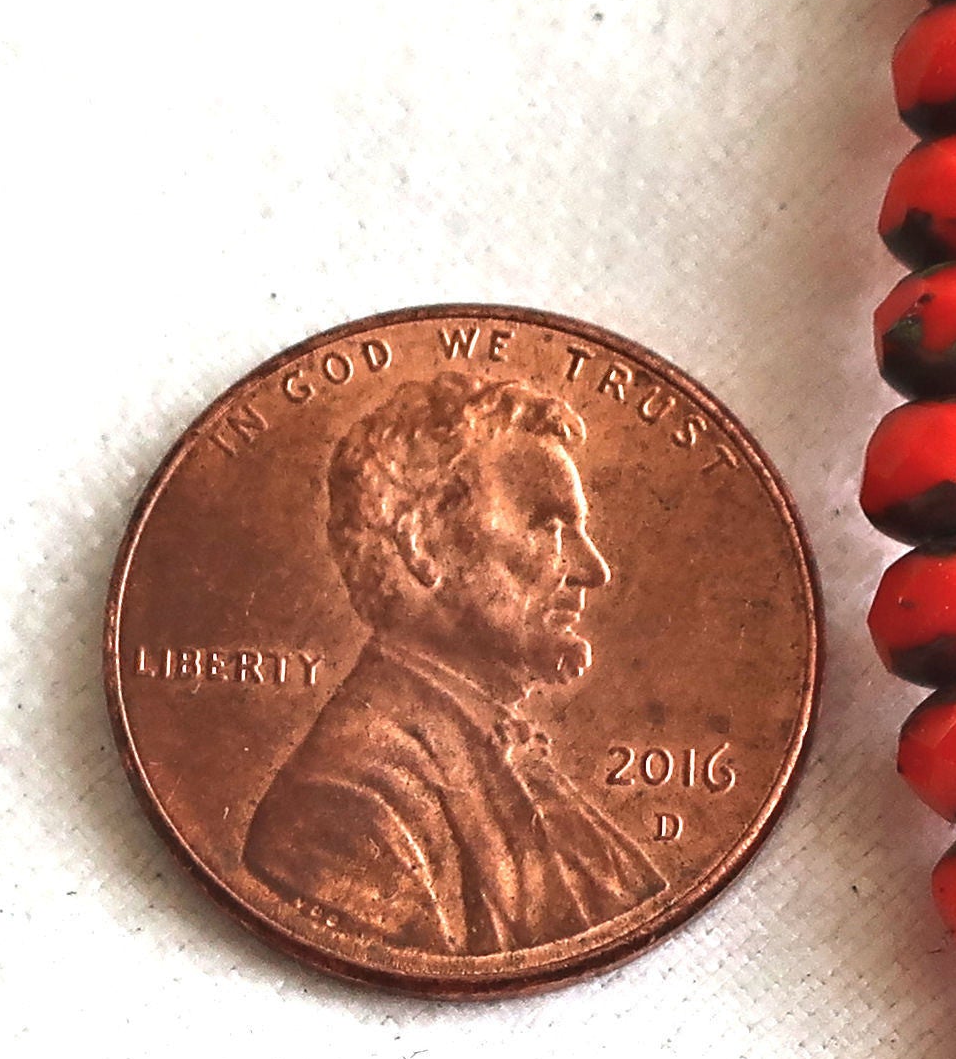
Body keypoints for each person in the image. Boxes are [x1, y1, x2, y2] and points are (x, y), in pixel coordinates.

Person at [243, 372, 666, 955]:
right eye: (548, 528)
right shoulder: (346, 807)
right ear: (423, 543)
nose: (592, 569)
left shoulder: (502, 754)